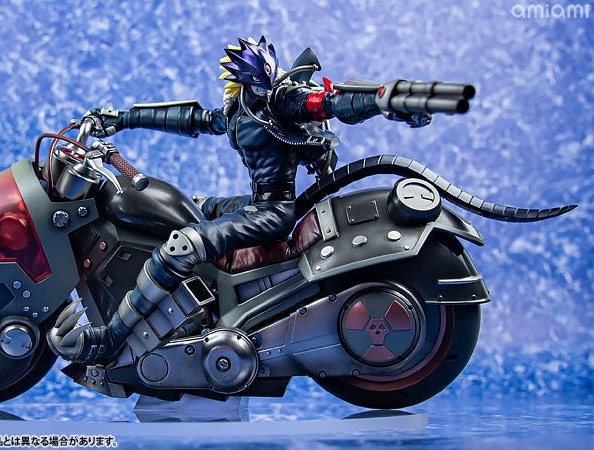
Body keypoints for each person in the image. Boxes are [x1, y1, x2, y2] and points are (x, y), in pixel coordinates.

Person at [47, 36, 430, 365]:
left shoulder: (282, 102)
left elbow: (326, 102)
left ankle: (112, 338)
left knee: (181, 246)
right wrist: (122, 118)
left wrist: (384, 99)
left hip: (272, 213)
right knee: (183, 210)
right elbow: (194, 119)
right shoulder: (240, 110)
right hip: (254, 204)